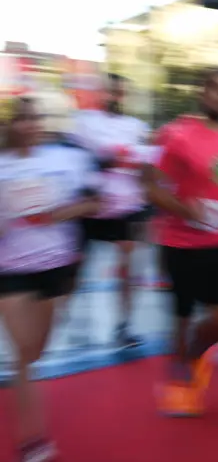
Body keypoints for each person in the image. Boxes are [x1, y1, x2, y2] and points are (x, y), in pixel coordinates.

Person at [143, 67, 218, 417]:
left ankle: (192, 354)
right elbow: (150, 186)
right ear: (202, 94)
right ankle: (179, 386)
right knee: (181, 316)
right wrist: (184, 209)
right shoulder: (177, 135)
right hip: (181, 243)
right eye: (214, 89)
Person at [0, 97, 101, 462]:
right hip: (10, 270)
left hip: (54, 268)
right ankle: (31, 441)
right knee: (23, 353)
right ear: (13, 125)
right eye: (22, 118)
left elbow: (94, 203)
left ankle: (32, 437)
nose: (30, 124)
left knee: (35, 350)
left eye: (35, 117)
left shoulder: (64, 161)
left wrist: (58, 213)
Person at [70, 74, 151, 350]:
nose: (115, 97)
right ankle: (66, 321)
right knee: (77, 269)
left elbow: (147, 162)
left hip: (127, 209)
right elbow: (74, 162)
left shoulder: (136, 126)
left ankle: (125, 324)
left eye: (120, 92)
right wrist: (102, 161)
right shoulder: (83, 122)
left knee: (129, 267)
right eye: (110, 92)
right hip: (91, 209)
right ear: (100, 93)